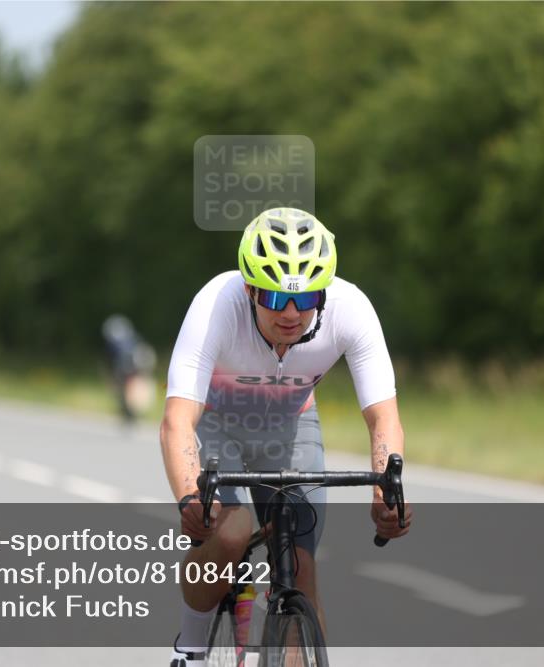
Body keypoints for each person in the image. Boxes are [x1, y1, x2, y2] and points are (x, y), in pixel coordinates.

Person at [160, 208, 412, 666]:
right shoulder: (217, 304)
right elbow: (177, 420)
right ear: (251, 288)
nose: (292, 314)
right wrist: (188, 500)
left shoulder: (350, 308)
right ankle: (191, 648)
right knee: (231, 532)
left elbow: (384, 418)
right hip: (219, 423)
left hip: (291, 426)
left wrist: (385, 488)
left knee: (301, 571)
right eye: (275, 299)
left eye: (308, 298)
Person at [102, 314, 156, 422]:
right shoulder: (133, 336)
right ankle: (132, 406)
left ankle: (131, 406)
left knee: (124, 383)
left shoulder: (115, 342)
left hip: (133, 360)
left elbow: (112, 361)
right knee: (135, 382)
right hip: (140, 358)